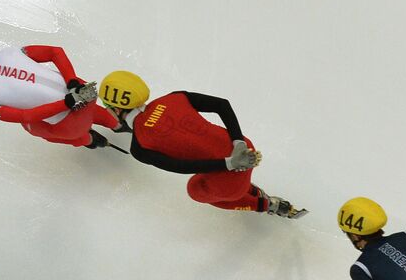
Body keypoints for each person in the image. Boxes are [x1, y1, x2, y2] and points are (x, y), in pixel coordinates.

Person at [95, 70, 305, 217]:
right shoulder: (174, 97)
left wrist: (229, 164)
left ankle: (266, 204)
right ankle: (245, 184)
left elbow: (181, 167)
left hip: (227, 179)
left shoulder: (139, 147)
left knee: (195, 189)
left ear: (116, 108)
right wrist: (238, 141)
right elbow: (222, 105)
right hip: (242, 145)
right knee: (209, 162)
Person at [0, 35, 117, 148]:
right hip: (86, 91)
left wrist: (67, 103)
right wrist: (71, 80)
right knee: (89, 110)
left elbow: (27, 116)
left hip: (71, 125)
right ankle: (115, 122)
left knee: (31, 127)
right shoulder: (10, 52)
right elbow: (55, 52)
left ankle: (88, 140)